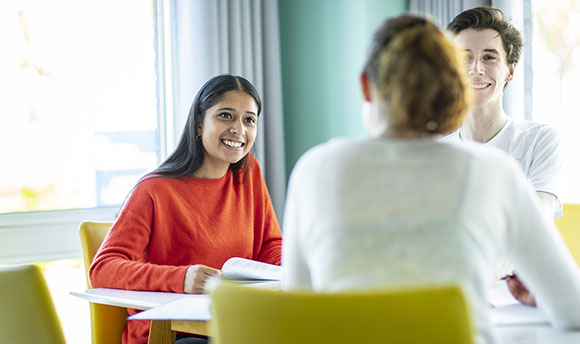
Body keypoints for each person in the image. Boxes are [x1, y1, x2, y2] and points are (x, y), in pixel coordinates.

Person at [281, 15, 580, 344]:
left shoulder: (313, 169)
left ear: (365, 85)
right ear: (454, 87)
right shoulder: (493, 172)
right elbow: (573, 308)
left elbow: (297, 310)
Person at [89, 74, 283, 344]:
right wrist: (182, 278)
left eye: (249, 119)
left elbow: (270, 244)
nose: (239, 129)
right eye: (226, 116)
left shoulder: (247, 172)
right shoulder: (154, 190)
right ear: (199, 125)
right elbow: (102, 269)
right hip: (170, 334)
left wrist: (288, 267)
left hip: (233, 324)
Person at [446, 6, 564, 299]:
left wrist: (486, 272)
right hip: (452, 294)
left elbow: (534, 228)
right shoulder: (437, 152)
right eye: (465, 58)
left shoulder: (540, 140)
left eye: (489, 57)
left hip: (519, 297)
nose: (477, 69)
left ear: (510, 70)